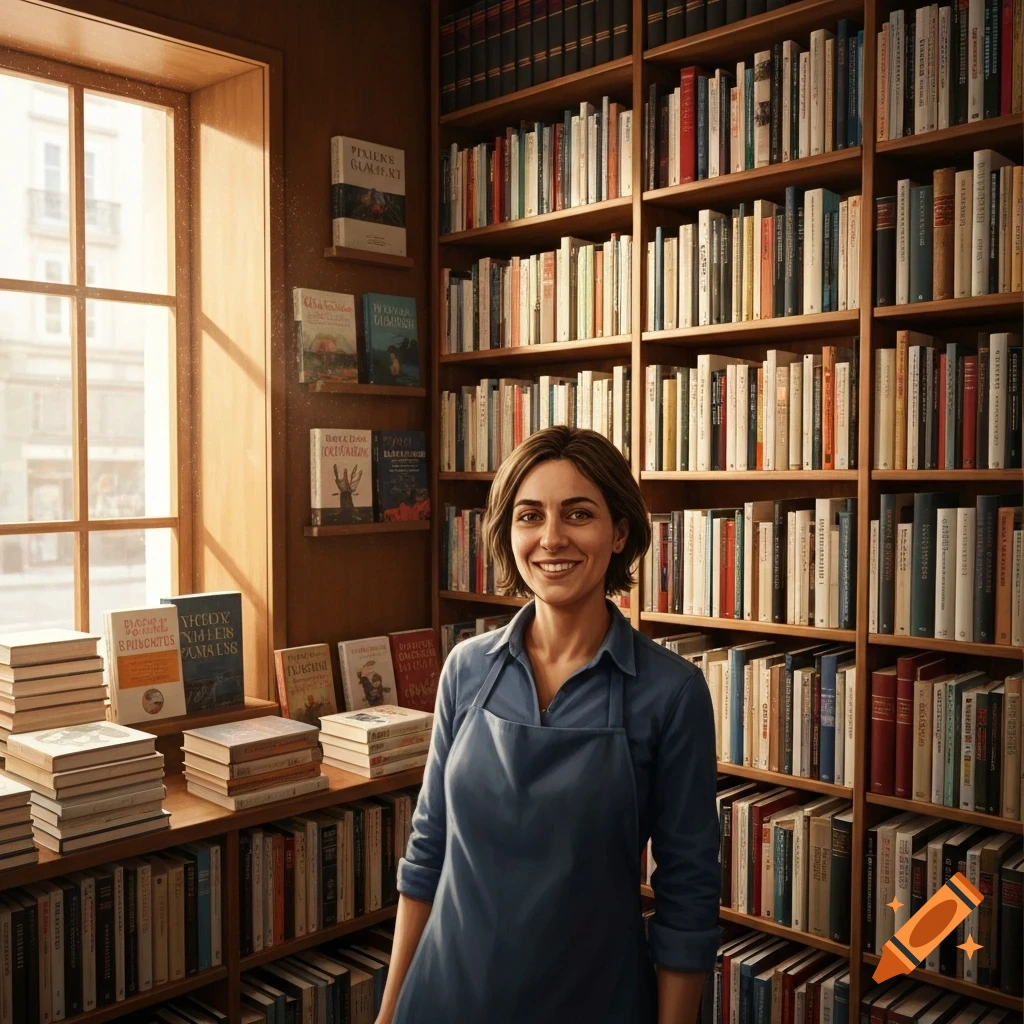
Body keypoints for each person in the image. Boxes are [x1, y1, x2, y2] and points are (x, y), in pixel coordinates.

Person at [376, 426, 721, 1024]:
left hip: (594, 1001)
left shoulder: (671, 693)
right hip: (444, 996)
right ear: (509, 535)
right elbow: (428, 852)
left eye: (578, 514)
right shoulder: (465, 669)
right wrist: (388, 1014)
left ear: (618, 533)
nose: (551, 538)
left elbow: (687, 895)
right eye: (529, 516)